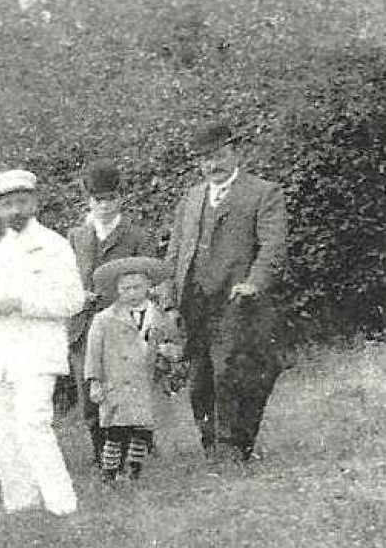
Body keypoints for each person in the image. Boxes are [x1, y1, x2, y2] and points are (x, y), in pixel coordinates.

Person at [161, 122, 288, 463]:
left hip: (237, 302)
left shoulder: (263, 193)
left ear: (235, 153)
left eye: (217, 156)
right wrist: (169, 298)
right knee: (199, 383)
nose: (211, 165)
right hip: (196, 305)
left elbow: (273, 247)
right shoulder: (191, 198)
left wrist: (254, 283)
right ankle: (212, 448)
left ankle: (234, 450)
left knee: (233, 374)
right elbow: (175, 252)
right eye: (204, 160)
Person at [0, 169, 87, 517]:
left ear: (35, 202)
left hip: (38, 351)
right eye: (7, 205)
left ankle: (62, 505)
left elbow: (73, 301)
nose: (15, 211)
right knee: (2, 430)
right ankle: (22, 505)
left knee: (32, 423)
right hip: (1, 352)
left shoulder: (54, 245)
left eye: (21, 202)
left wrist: (22, 303)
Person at [66, 161, 158, 464]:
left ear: (121, 199)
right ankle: (100, 453)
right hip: (85, 325)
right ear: (88, 201)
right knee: (90, 388)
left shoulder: (136, 235)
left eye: (110, 199)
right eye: (98, 200)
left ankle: (136, 451)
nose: (104, 206)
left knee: (129, 388)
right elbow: (65, 278)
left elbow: (149, 279)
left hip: (124, 323)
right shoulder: (77, 236)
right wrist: (79, 294)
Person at [85, 257, 179, 483]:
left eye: (137, 287)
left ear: (148, 286)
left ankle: (134, 469)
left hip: (146, 382)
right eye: (125, 289)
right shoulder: (104, 319)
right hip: (116, 382)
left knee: (142, 429)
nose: (132, 293)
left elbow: (174, 342)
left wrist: (169, 352)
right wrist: (95, 381)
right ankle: (110, 472)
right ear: (117, 290)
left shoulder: (159, 316)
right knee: (115, 431)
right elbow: (93, 353)